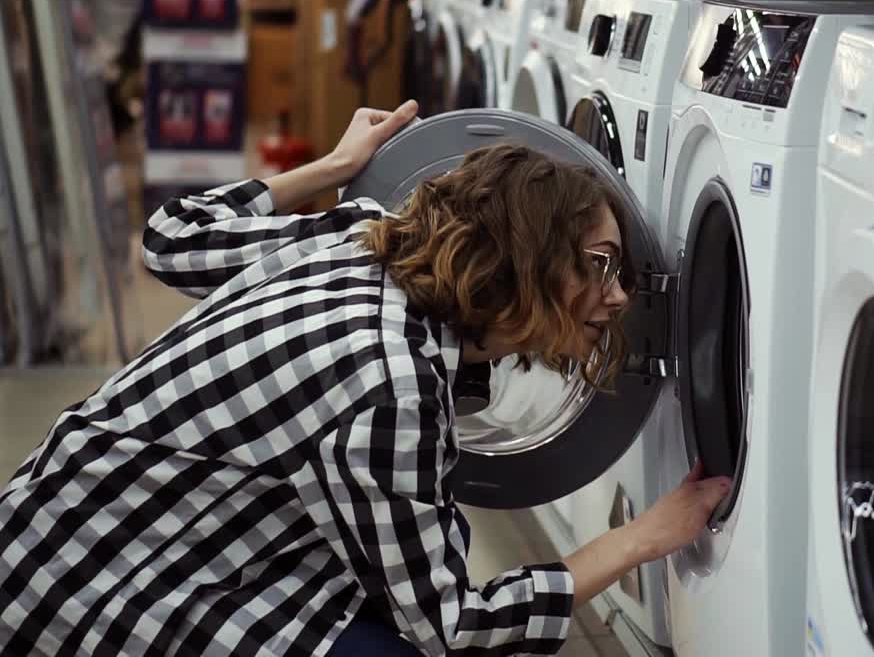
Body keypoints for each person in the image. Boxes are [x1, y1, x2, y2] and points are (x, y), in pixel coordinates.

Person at [0, 100, 731, 656]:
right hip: (85, 596)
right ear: (525, 258)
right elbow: (452, 627)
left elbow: (173, 237)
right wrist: (639, 539)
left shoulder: (359, 239)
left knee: (386, 573)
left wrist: (335, 167)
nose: (621, 297)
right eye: (600, 265)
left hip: (49, 522)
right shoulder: (393, 386)